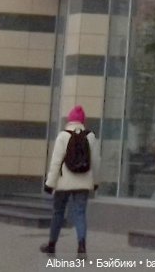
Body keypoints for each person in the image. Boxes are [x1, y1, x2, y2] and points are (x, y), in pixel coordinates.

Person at [40, 105, 101, 258]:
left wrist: (50, 183)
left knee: (58, 212)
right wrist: (95, 182)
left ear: (70, 120)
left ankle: (51, 245)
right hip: (83, 182)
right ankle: (81, 247)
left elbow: (56, 162)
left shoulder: (63, 136)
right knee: (80, 213)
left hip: (63, 183)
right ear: (83, 121)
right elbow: (96, 162)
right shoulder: (90, 136)